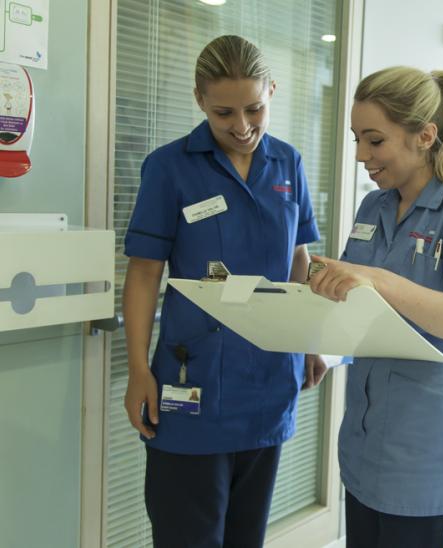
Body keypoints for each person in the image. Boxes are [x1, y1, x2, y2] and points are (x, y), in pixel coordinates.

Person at [122, 35, 327, 548]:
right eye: (223, 112)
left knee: (246, 538)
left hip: (267, 381)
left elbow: (298, 259)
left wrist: (306, 341)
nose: (242, 126)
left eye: (255, 108)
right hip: (193, 386)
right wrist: (139, 369)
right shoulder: (169, 168)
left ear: (272, 92)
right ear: (199, 101)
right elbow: (145, 273)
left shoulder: (288, 165)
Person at [309, 66, 443, 548]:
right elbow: (356, 306)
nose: (361, 156)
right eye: (357, 139)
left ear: (425, 136)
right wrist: (318, 338)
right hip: (365, 440)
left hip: (425, 455)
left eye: (375, 141)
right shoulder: (372, 209)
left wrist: (377, 278)